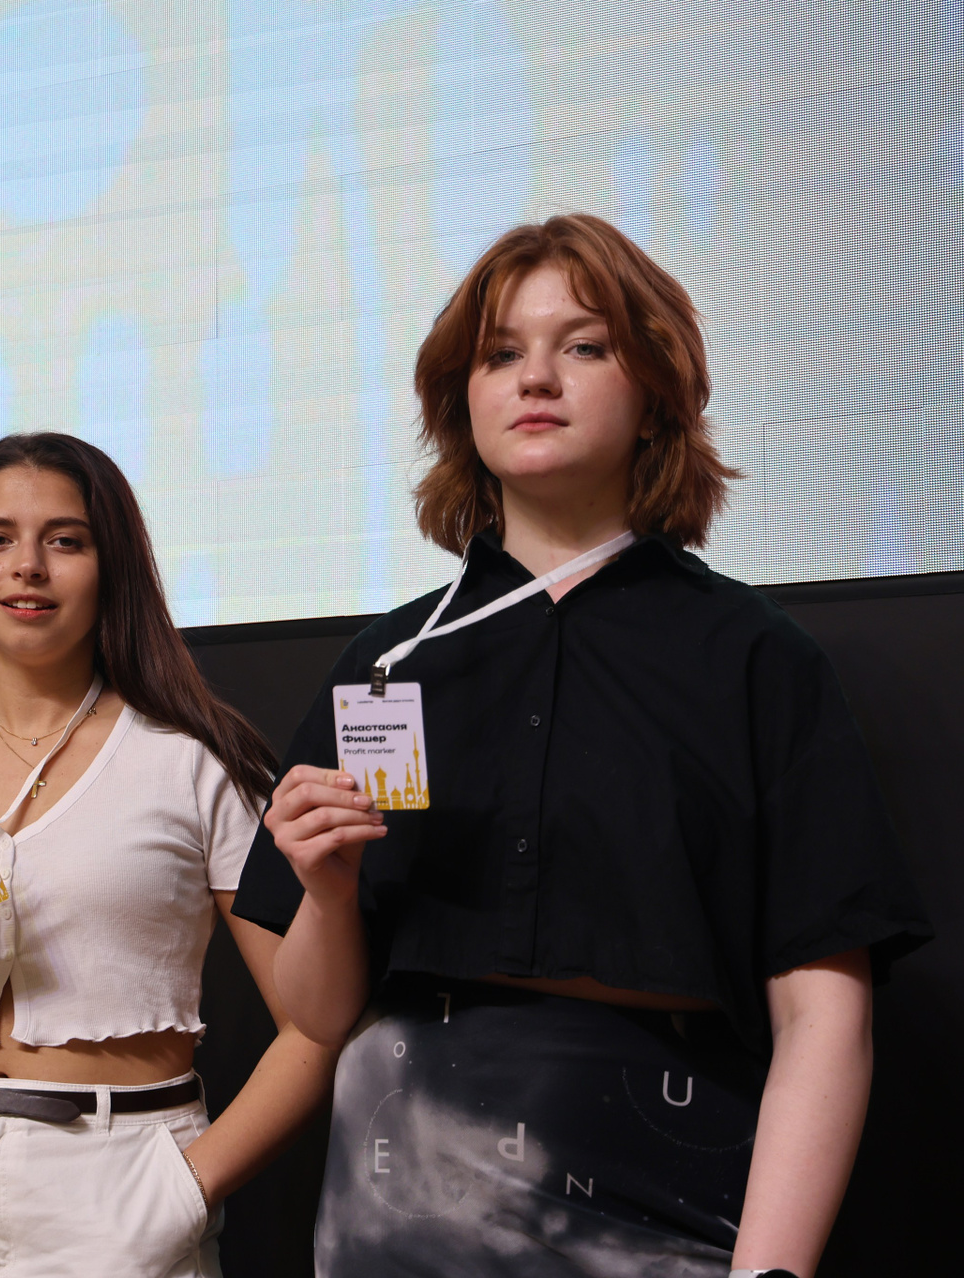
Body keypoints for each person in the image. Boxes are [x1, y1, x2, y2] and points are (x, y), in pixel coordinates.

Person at [233, 213, 932, 1276]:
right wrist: (328, 893)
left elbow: (824, 1017)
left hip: (667, 1196)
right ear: (460, 402)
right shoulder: (390, 663)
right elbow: (318, 1015)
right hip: (396, 1203)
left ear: (656, 390)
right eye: (500, 354)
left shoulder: (756, 659)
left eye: (585, 345)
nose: (536, 377)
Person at [0, 432, 335, 1276]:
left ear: (111, 568)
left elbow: (316, 1023)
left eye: (66, 540)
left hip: (118, 1182)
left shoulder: (196, 761)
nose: (28, 566)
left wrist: (185, 1189)